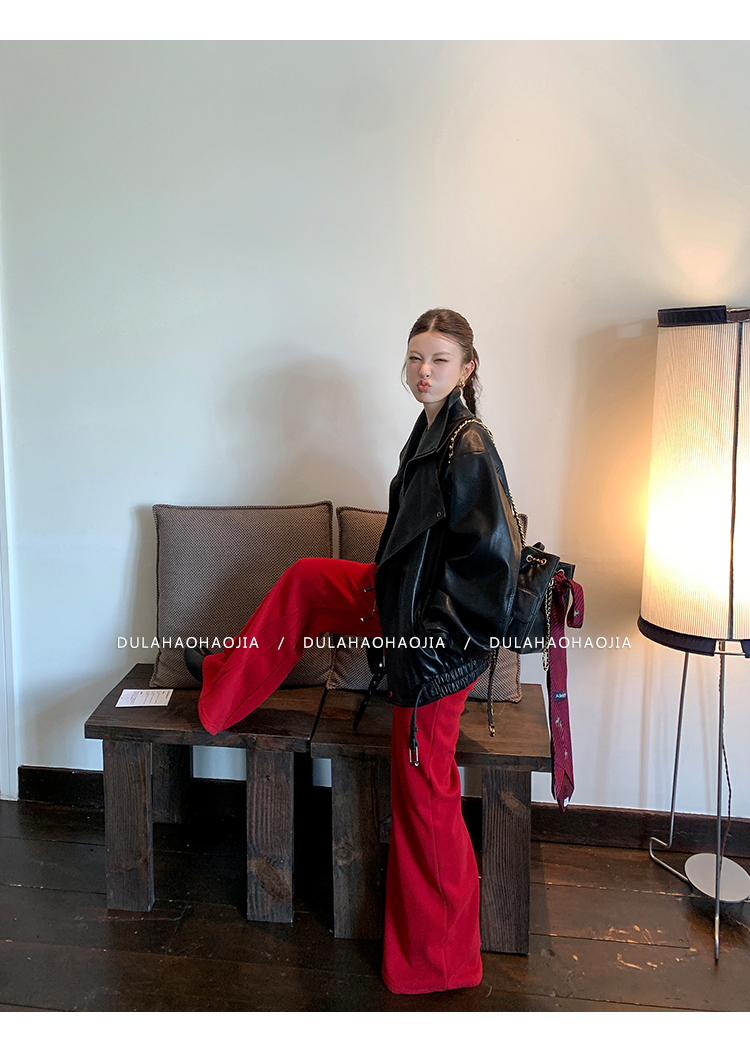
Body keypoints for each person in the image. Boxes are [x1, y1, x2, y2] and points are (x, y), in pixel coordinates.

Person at [184, 308, 522, 995]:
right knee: (307, 579)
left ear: (467, 368)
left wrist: (420, 644)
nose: (423, 371)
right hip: (396, 600)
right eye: (415, 357)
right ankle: (223, 688)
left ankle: (442, 964)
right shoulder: (430, 429)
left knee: (425, 800)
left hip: (432, 646)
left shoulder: (469, 444)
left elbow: (491, 569)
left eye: (439, 359)